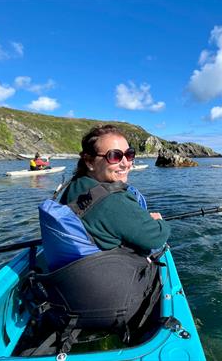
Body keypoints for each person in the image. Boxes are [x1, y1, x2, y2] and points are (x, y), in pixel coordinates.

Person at [41, 124, 171, 345]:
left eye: (129, 154)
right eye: (114, 156)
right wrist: (159, 222)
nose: (126, 162)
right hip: (112, 305)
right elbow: (156, 238)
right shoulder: (114, 200)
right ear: (89, 161)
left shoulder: (73, 187)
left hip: (67, 296)